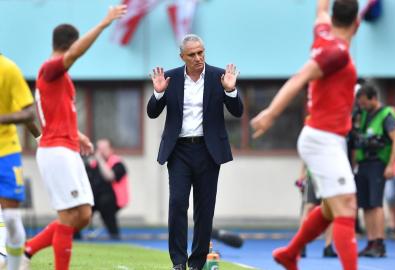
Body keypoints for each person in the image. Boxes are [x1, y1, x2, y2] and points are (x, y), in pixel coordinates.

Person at [251, 0, 360, 269]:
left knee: (329, 208)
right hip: (322, 138)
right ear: (357, 24)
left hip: (328, 139)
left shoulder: (323, 31)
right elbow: (300, 78)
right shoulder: (337, 53)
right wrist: (271, 113)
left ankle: (290, 253)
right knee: (347, 206)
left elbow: (320, 11)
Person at [20, 5, 127, 270]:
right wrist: (104, 23)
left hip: (68, 148)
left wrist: (78, 135)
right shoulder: (49, 70)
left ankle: (29, 248)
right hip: (55, 150)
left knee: (83, 215)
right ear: (70, 44)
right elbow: (76, 53)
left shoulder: (60, 79)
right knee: (69, 216)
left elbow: (55, 114)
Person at [147, 34, 243, 270]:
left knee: (205, 209)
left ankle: (197, 263)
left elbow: (238, 111)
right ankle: (178, 262)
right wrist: (158, 93)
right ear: (182, 57)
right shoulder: (170, 78)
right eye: (192, 54)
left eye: (201, 52)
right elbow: (152, 112)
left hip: (208, 151)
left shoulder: (218, 76)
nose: (198, 58)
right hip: (179, 150)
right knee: (178, 203)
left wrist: (230, 91)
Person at [0, 54, 41, 270]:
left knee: (12, 218)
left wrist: (40, 140)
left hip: (6, 152)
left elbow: (28, 112)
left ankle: (14, 264)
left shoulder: (8, 69)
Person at [353, 83, 395, 257]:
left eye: (364, 103)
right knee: (365, 204)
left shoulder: (387, 115)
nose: (362, 106)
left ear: (373, 99)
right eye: (360, 103)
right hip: (363, 163)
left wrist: (390, 165)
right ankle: (370, 242)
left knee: (376, 203)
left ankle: (380, 244)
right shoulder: (363, 114)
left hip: (378, 163)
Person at [85, 139, 129, 240]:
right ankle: (75, 237)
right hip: (94, 199)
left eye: (104, 149)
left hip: (112, 200)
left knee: (106, 206)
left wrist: (100, 160)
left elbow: (110, 176)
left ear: (111, 149)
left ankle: (115, 238)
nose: (101, 152)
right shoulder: (92, 164)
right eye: (99, 149)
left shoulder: (118, 163)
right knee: (80, 212)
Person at [297, 165, 337, 258]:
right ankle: (301, 244)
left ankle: (328, 246)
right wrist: (301, 176)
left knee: (330, 209)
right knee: (309, 207)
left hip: (330, 177)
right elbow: (305, 156)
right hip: (314, 176)